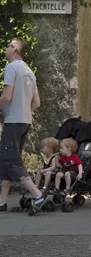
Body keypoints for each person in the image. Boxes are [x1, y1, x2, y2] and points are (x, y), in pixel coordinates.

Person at [0, 37, 46, 214]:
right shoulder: (29, 71)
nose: (6, 48)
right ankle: (2, 201)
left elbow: (6, 96)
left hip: (13, 120)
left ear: (15, 50)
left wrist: (8, 109)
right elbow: (37, 103)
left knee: (10, 160)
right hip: (25, 120)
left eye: (9, 45)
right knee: (7, 160)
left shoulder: (11, 68)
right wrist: (24, 111)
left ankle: (37, 194)